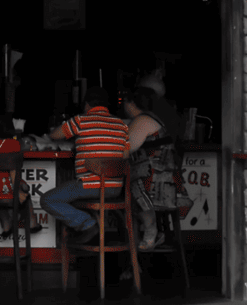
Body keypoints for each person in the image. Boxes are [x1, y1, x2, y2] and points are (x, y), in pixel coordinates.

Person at [42, 86, 130, 240]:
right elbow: (125, 156)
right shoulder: (121, 125)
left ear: (87, 104)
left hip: (90, 186)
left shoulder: (81, 120)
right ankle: (88, 226)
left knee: (48, 199)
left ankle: (87, 224)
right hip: (115, 189)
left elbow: (54, 135)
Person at [124, 85, 192, 251]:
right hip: (166, 179)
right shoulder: (153, 118)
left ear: (132, 103)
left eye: (125, 103)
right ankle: (137, 248)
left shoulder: (142, 121)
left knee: (132, 190)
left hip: (155, 180)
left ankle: (149, 233)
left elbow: (124, 151)